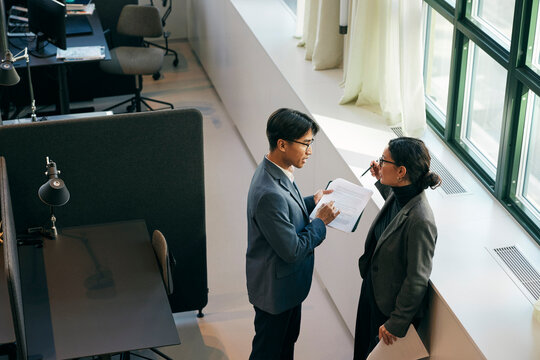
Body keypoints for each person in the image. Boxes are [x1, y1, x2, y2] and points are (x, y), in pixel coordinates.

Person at [246, 108, 340, 360]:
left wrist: (313, 202)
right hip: (275, 292)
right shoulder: (269, 193)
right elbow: (293, 250)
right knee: (268, 353)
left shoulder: (275, 170)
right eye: (306, 144)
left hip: (286, 287)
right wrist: (320, 222)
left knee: (285, 347)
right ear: (282, 144)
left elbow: (287, 211)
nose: (310, 151)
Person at [353, 137, 441, 360]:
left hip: (388, 306)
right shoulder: (400, 191)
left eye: (384, 161)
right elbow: (396, 214)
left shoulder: (422, 220)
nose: (378, 163)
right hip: (372, 289)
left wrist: (396, 322)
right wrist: (381, 177)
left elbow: (417, 278)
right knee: (362, 348)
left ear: (401, 171)